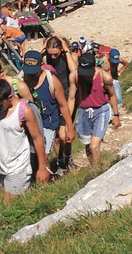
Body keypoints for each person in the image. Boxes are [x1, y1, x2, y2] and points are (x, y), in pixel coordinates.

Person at [0, 78, 49, 199]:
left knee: (9, 206)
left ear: (9, 97)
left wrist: (42, 167)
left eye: (0, 105)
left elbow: (37, 138)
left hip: (18, 167)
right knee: (2, 202)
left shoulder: (24, 111)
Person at [21, 50, 74, 176]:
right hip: (29, 124)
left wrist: (70, 128)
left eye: (33, 71)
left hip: (48, 124)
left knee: (43, 157)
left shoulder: (52, 81)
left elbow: (63, 106)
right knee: (30, 156)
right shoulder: (21, 80)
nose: (30, 75)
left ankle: (45, 183)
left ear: (41, 65)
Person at [74, 51, 120, 166]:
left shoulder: (105, 77)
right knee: (87, 143)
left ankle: (96, 171)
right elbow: (71, 98)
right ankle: (92, 164)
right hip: (84, 111)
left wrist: (116, 115)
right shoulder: (75, 76)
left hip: (101, 111)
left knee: (94, 146)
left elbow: (112, 95)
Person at [42, 36, 78, 172]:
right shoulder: (46, 57)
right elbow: (31, 61)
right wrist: (43, 47)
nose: (53, 57)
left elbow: (74, 70)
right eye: (50, 54)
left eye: (56, 54)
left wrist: (66, 50)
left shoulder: (70, 56)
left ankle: (68, 158)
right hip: (53, 99)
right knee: (57, 136)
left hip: (69, 98)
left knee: (66, 133)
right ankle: (60, 161)